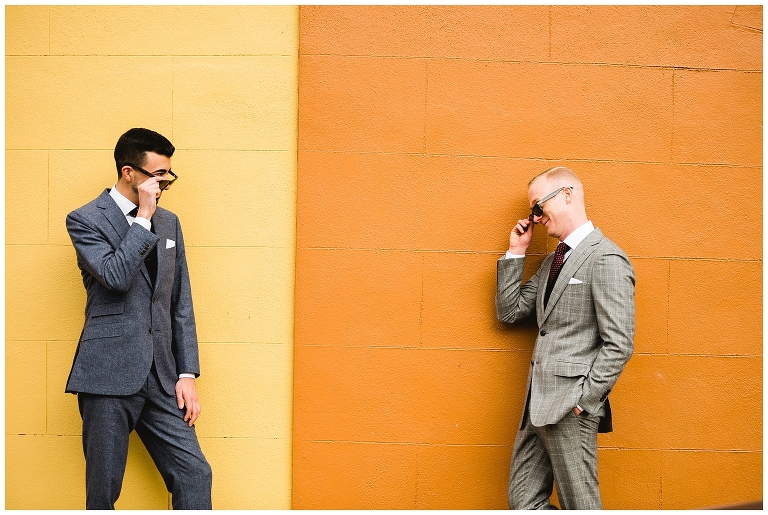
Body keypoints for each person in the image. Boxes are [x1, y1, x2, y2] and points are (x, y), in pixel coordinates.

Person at [65, 128, 212, 509]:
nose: (164, 184)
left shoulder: (170, 223)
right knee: (103, 490)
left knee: (195, 473)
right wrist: (143, 217)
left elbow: (179, 301)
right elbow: (115, 277)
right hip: (107, 374)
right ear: (129, 172)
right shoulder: (85, 219)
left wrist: (186, 373)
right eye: (158, 175)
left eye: (168, 176)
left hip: (162, 376)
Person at [496, 166, 635, 509]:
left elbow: (619, 342)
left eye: (538, 206)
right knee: (524, 502)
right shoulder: (552, 262)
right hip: (536, 406)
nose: (536, 217)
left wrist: (584, 402)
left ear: (567, 195)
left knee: (581, 505)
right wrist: (516, 251)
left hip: (570, 408)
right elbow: (510, 311)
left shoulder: (606, 257)